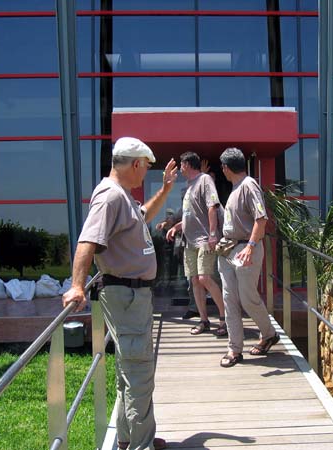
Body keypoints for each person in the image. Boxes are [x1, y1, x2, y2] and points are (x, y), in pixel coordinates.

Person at [62, 137, 177, 450]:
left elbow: (143, 216)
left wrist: (165, 190)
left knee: (130, 368)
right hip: (127, 296)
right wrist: (76, 285)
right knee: (139, 370)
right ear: (136, 164)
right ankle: (142, 445)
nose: (145, 175)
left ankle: (128, 437)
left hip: (132, 296)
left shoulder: (122, 197)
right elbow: (88, 240)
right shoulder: (111, 197)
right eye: (146, 169)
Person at [217, 147, 279, 368]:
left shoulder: (248, 185)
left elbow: (260, 218)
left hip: (245, 249)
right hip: (227, 250)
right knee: (229, 299)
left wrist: (251, 246)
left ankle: (269, 333)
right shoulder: (235, 188)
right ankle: (234, 350)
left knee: (247, 298)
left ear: (226, 168)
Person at [166, 152, 227, 337]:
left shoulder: (204, 179)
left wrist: (213, 233)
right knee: (194, 280)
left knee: (204, 278)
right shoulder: (189, 185)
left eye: (181, 164)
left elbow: (212, 206)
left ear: (187, 164)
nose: (179, 168)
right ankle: (204, 320)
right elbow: (190, 215)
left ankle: (225, 319)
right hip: (189, 241)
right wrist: (176, 227)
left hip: (204, 239)